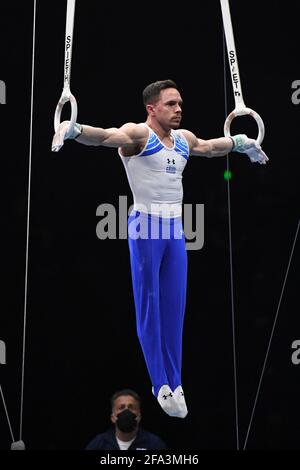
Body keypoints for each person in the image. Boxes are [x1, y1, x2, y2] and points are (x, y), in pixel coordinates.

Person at [52, 79, 269, 419]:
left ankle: (176, 382)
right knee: (150, 304)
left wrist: (243, 142)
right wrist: (74, 128)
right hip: (146, 226)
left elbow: (212, 147)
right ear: (152, 109)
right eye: (171, 104)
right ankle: (159, 383)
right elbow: (107, 136)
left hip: (174, 230)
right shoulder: (139, 135)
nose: (179, 108)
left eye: (180, 103)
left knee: (174, 306)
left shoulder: (183, 140)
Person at [85, 389, 167, 450]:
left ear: (139, 416)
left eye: (131, 407)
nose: (126, 411)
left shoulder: (154, 444)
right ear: (112, 417)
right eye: (121, 407)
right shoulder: (99, 444)